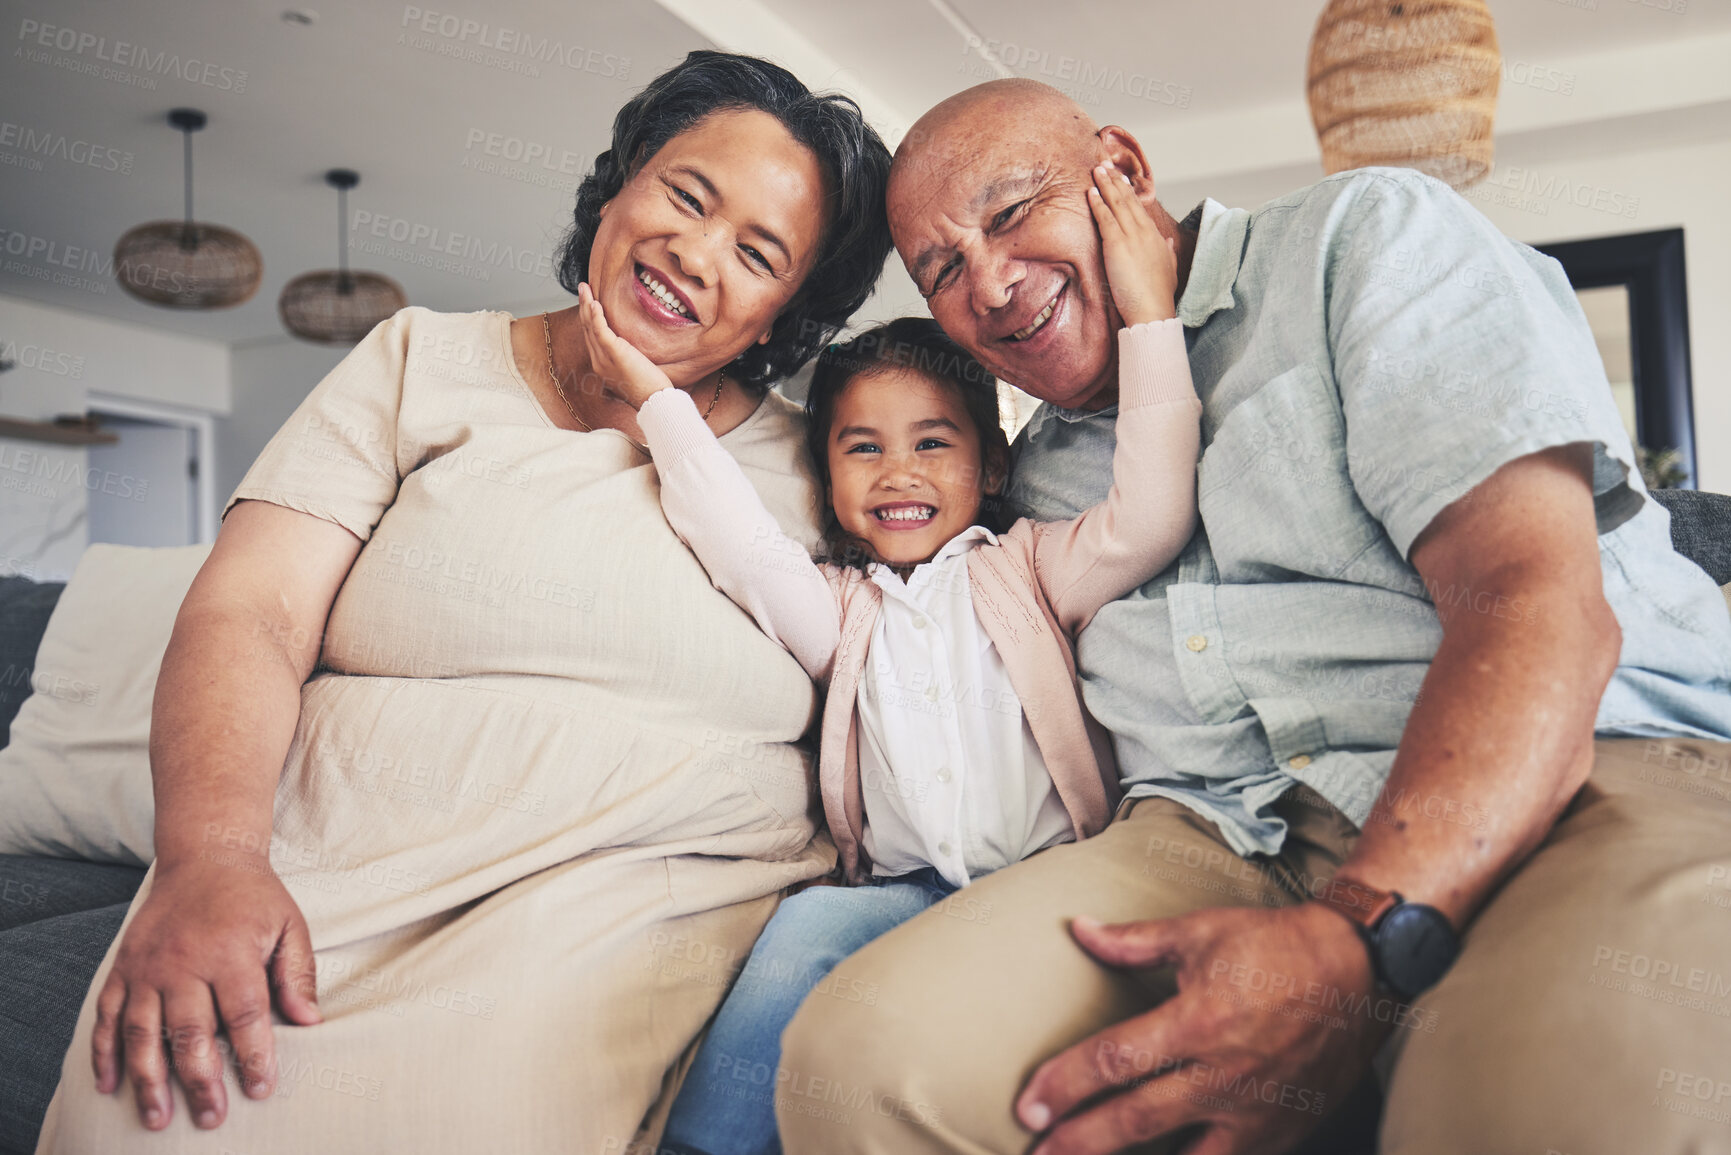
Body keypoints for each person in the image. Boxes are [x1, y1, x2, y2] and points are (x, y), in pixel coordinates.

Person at [775, 78, 1731, 1155]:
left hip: (1572, 761)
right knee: (863, 1069)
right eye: (943, 270)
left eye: (1009, 214)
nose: (990, 285)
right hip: (1205, 832)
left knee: (1548, 1113)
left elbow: (1534, 601)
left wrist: (1359, 937)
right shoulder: (1031, 477)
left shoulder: (1359, 237)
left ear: (1123, 173)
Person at [26, 52, 893, 1154]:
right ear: (621, 183)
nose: (695, 251)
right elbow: (251, 613)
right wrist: (209, 860)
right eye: (686, 194)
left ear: (785, 316)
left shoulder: (835, 462)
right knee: (155, 1111)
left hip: (611, 936)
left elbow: (941, 664)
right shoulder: (417, 361)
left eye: (758, 252)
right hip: (325, 886)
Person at [575, 156, 1200, 1155]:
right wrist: (660, 406)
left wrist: (1149, 316)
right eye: (861, 447)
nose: (897, 471)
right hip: (895, 896)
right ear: (826, 478)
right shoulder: (840, 612)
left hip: (1042, 881)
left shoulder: (1030, 568)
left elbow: (1153, 513)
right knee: (799, 939)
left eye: (933, 444)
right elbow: (741, 544)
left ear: (991, 463)